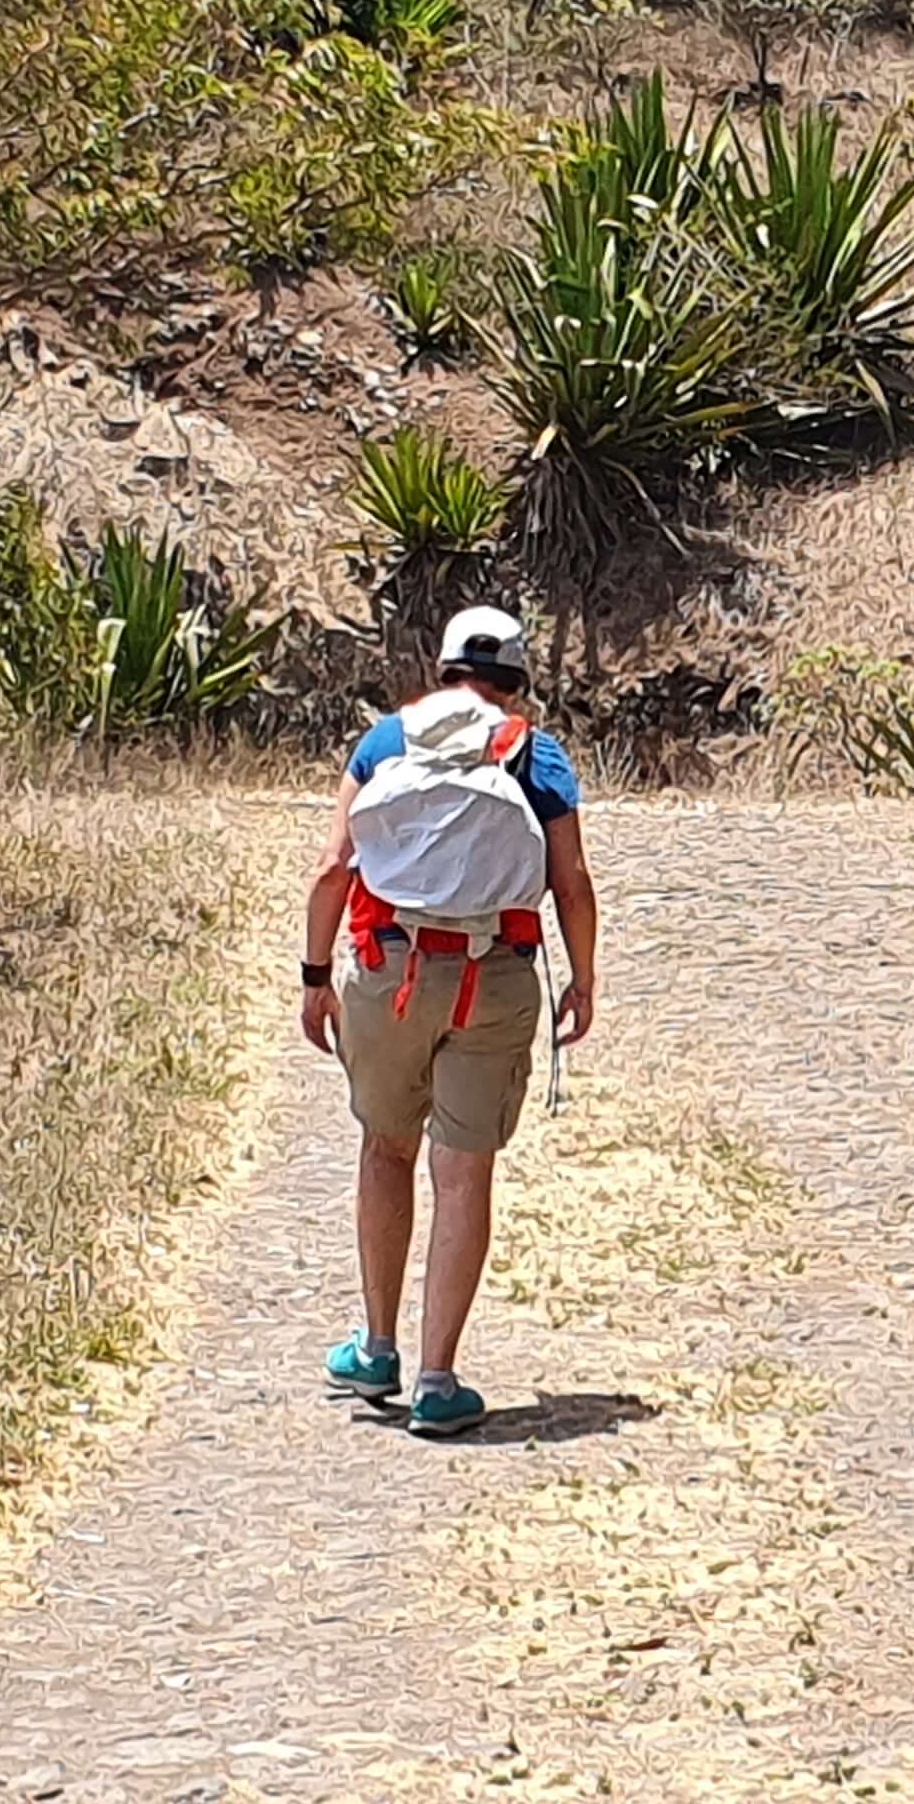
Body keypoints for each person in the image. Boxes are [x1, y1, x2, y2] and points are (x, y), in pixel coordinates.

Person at [298, 603, 599, 1436]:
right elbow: (571, 881)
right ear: (517, 681)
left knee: (384, 1147)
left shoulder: (385, 742)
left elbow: (333, 868)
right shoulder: (536, 755)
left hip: (389, 968)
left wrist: (315, 977)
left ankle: (376, 1348)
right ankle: (437, 1380)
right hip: (493, 976)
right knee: (463, 1175)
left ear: (442, 671)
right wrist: (583, 978)